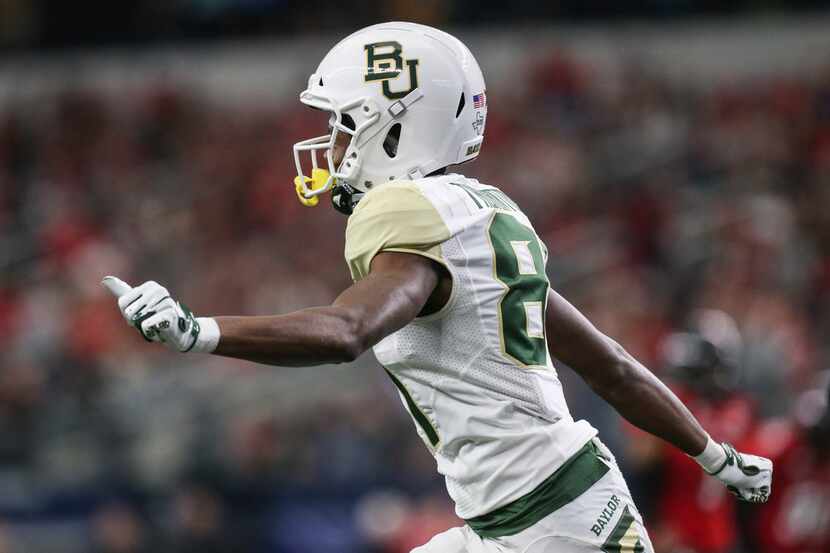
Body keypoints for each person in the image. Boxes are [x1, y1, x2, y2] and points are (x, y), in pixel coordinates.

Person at [101, 22, 772, 553]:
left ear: (395, 123)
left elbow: (346, 333)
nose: (331, 143)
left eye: (343, 123)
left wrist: (201, 332)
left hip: (557, 524)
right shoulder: (484, 212)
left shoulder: (409, 213)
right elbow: (612, 367)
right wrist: (715, 454)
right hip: (524, 512)